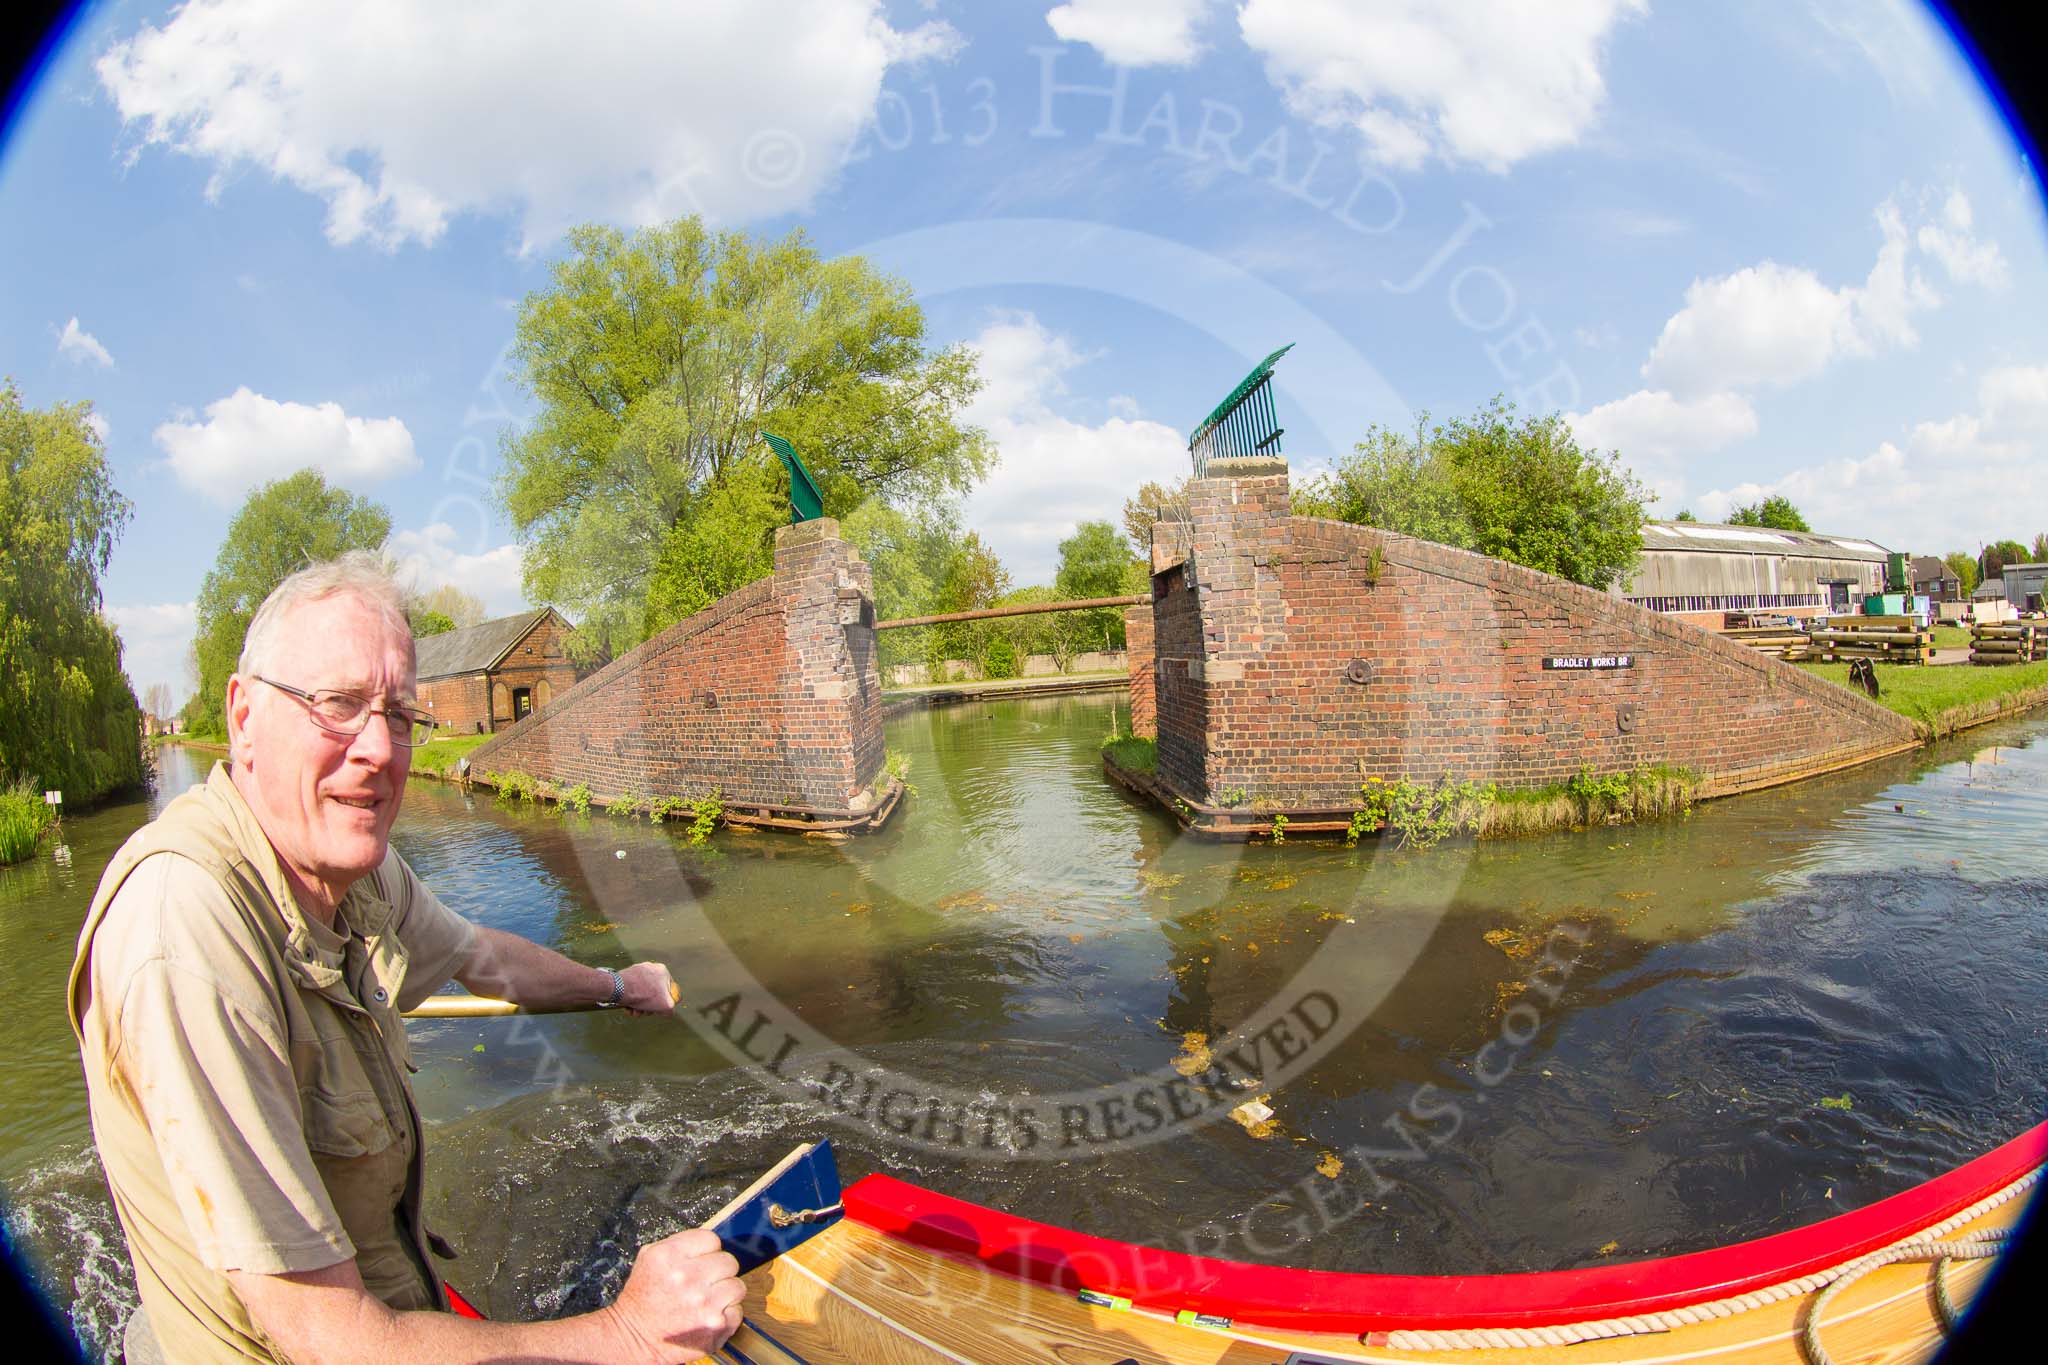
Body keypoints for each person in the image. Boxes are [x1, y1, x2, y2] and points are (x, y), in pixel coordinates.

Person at [69, 554, 744, 1363]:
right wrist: (625, 1333)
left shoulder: (349, 865)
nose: (380, 751)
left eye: (396, 714)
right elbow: (331, 1340)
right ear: (243, 716)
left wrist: (612, 986)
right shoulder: (186, 932)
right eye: (339, 703)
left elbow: (480, 956)